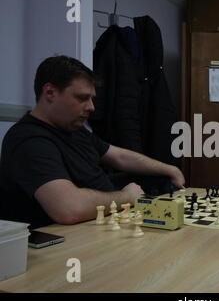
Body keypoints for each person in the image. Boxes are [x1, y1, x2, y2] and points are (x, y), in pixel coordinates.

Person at [0, 56, 185, 229]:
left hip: (103, 225)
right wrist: (127, 197)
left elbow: (120, 156)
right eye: (82, 98)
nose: (91, 107)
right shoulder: (29, 141)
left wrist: (170, 169)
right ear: (50, 92)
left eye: (91, 98)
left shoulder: (74, 129)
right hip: (67, 244)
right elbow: (68, 209)